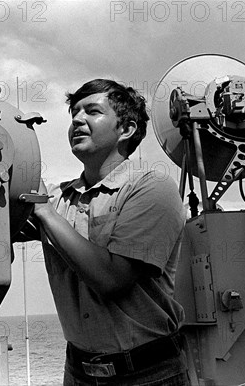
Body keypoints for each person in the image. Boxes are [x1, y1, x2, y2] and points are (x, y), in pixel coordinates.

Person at [32, 79, 189, 385]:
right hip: (79, 372)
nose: (78, 120)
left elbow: (111, 279)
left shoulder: (152, 189)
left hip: (148, 374)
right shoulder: (59, 198)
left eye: (92, 111)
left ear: (126, 129)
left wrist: (42, 210)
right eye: (74, 113)